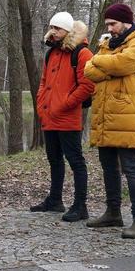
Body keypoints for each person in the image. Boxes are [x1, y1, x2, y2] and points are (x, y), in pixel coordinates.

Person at [84, 3, 135, 239]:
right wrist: (109, 66)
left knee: (131, 168)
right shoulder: (108, 44)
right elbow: (89, 70)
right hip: (105, 114)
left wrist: (105, 63)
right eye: (107, 24)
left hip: (127, 114)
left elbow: (124, 64)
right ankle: (113, 212)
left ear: (126, 21)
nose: (109, 29)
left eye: (113, 24)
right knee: (108, 166)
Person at [31, 12, 94, 222]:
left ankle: (80, 205)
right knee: (54, 159)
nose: (53, 31)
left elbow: (87, 86)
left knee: (76, 161)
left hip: (68, 117)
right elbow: (43, 81)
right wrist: (42, 105)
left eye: (57, 28)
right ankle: (55, 200)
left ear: (68, 30)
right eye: (52, 27)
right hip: (49, 116)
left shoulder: (82, 53)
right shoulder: (51, 53)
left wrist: (64, 104)